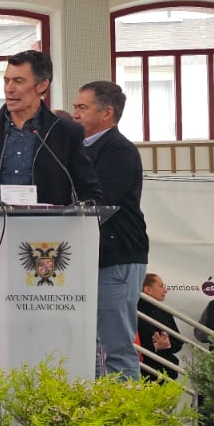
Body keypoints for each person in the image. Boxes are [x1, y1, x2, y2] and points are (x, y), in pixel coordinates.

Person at [0, 49, 104, 365]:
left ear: (42, 85)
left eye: (19, 81)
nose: (9, 88)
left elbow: (91, 194)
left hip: (41, 254)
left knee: (42, 340)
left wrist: (73, 218)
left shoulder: (65, 133)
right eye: (6, 80)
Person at [72, 80, 149, 377]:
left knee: (116, 347)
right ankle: (98, 404)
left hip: (116, 256)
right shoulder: (81, 149)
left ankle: (125, 407)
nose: (75, 114)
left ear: (107, 113)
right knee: (90, 348)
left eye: (82, 107)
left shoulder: (119, 150)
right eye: (75, 107)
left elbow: (99, 200)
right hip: (90, 257)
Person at [138, 272, 183, 379]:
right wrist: (154, 346)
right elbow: (127, 346)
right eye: (161, 286)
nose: (165, 290)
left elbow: (178, 342)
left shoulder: (164, 311)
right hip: (143, 372)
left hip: (168, 371)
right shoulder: (133, 312)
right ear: (148, 290)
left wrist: (168, 343)